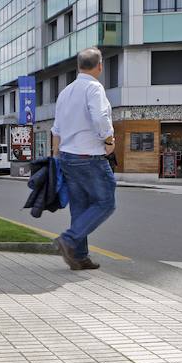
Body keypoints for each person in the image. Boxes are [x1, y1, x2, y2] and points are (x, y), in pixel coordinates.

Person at [50, 47, 116, 271]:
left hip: (68, 156)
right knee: (106, 202)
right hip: (89, 156)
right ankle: (68, 240)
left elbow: (56, 129)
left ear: (78, 66)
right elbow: (100, 117)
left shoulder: (65, 92)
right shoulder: (94, 88)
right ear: (100, 66)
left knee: (79, 207)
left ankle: (79, 257)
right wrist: (108, 140)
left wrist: (56, 156)